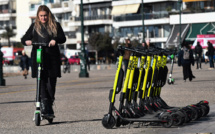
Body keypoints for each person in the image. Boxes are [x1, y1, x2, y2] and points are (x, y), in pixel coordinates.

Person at [21, 5, 66, 117]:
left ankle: (49, 105)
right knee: (40, 81)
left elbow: (63, 38)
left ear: (48, 15)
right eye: (41, 16)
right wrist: (27, 41)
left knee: (51, 83)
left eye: (45, 15)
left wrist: (55, 40)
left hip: (52, 58)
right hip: (38, 57)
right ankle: (45, 105)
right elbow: (23, 39)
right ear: (38, 16)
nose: (43, 18)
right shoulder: (34, 27)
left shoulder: (55, 25)